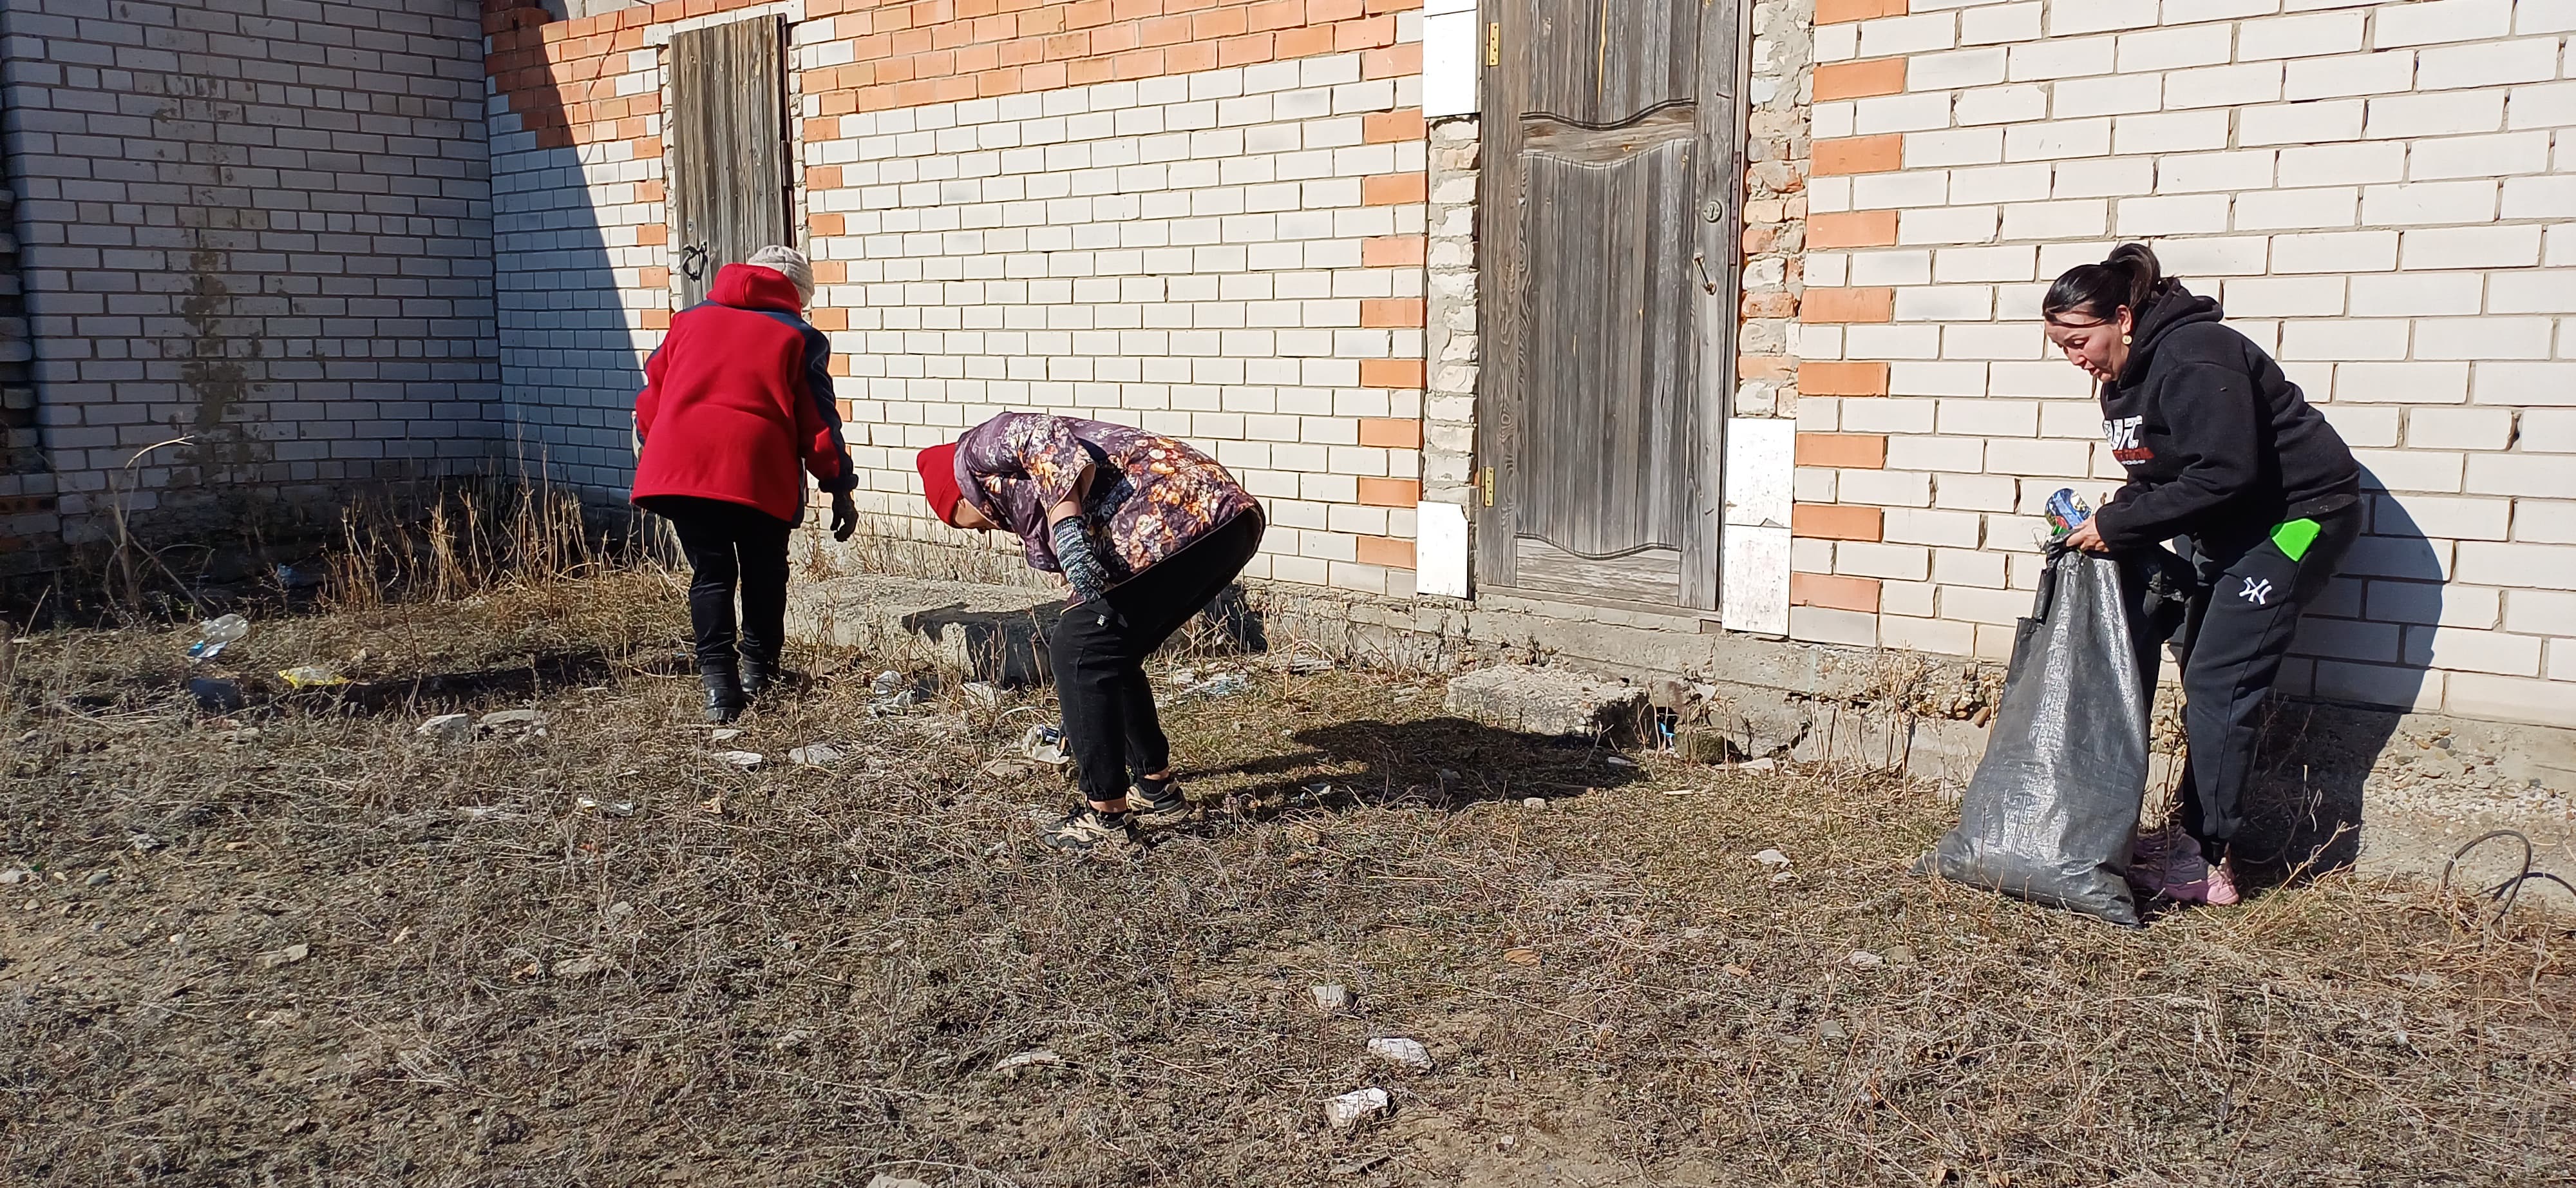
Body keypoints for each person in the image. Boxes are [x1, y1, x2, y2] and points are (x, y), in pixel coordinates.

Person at [2042, 242, 2362, 906]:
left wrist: (2124, 524)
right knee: (2203, 662)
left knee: (2221, 677)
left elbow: (2225, 471)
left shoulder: (2196, 353)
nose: (2075, 357)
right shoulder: (2125, 384)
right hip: (2235, 525)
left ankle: (2206, 859)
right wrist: (2108, 518)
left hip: (2299, 520)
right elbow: (2162, 476)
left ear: (2123, 318)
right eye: (2062, 346)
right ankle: (2194, 834)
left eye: (2081, 340)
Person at [916, 413, 1264, 856]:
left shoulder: (977, 451)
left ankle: (1106, 819)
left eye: (962, 520)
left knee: (1078, 649)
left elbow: (1040, 436)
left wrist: (1067, 528)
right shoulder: (1026, 501)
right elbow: (1084, 603)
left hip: (1183, 514)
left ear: (961, 498)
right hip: (1220, 522)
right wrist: (1081, 711)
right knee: (1105, 648)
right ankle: (1156, 791)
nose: (982, 530)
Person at [632, 245, 859, 723]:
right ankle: (760, 671)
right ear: (797, 294)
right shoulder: (798, 336)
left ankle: (720, 688)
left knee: (711, 573)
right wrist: (838, 483)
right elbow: (817, 421)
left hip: (682, 468)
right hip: (755, 468)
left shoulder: (688, 320)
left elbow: (650, 397)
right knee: (764, 571)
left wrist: (664, 447)